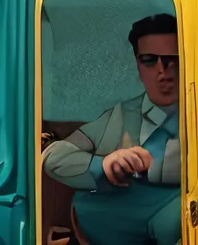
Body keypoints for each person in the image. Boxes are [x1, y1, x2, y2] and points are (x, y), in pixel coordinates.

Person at [42, 14, 182, 245]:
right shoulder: (119, 115)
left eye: (173, 60)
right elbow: (54, 156)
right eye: (149, 60)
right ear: (138, 64)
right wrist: (102, 165)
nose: (163, 71)